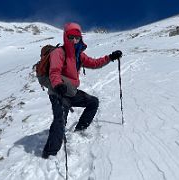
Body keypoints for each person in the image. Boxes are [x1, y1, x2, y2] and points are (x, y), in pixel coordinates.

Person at [42, 22, 122, 159]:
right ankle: (49, 153)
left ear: (80, 38)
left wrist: (110, 57)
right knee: (60, 120)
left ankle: (79, 130)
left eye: (77, 37)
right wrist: (58, 85)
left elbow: (94, 63)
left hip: (72, 91)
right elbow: (54, 72)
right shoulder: (58, 53)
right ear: (65, 37)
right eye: (71, 37)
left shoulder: (79, 54)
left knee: (93, 102)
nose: (74, 40)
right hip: (58, 92)